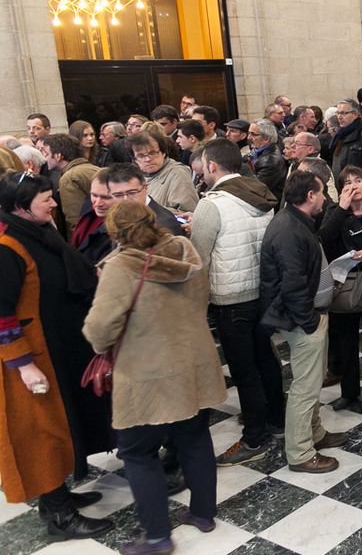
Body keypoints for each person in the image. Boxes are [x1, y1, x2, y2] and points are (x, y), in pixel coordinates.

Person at [83, 201, 226, 555]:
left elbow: (100, 329)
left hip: (147, 371)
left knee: (136, 451)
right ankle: (204, 514)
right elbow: (202, 297)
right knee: (193, 436)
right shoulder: (184, 249)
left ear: (115, 233)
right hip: (193, 359)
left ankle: (159, 537)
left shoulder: (121, 266)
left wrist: (105, 344)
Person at [0, 172, 114, 542]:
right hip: (31, 359)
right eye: (45, 199)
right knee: (42, 433)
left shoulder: (37, 230)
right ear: (20, 207)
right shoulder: (7, 246)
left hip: (56, 346)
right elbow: (2, 312)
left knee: (60, 425)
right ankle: (61, 517)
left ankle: (58, 497)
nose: (53, 204)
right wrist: (23, 363)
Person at [190, 140, 284, 467]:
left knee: (244, 370)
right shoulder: (259, 194)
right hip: (263, 292)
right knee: (266, 358)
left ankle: (254, 436)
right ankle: (278, 419)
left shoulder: (211, 204)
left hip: (231, 298)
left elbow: (198, 258)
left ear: (212, 166)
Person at [260, 171, 348, 474]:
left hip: (309, 316)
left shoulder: (297, 221)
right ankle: (300, 453)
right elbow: (292, 284)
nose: (325, 197)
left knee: (311, 382)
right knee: (305, 388)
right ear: (310, 195)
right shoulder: (287, 230)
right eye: (322, 192)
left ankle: (316, 433)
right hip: (302, 320)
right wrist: (309, 322)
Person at [320, 166, 362, 413]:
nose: (353, 186)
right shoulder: (334, 213)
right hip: (344, 285)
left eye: (358, 180)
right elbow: (324, 238)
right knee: (345, 342)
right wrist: (341, 207)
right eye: (347, 183)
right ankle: (349, 393)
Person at [128, 132, 198, 213]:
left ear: (164, 153)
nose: (147, 159)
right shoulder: (135, 175)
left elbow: (186, 213)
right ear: (135, 159)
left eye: (152, 153)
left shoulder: (177, 173)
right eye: (141, 156)